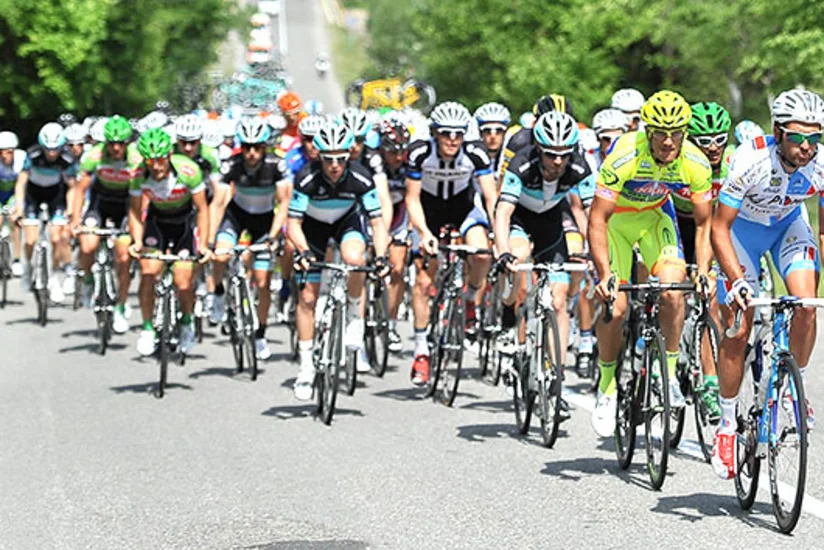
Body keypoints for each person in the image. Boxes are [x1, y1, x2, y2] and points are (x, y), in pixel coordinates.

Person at [711, 89, 824, 479]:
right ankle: (726, 425)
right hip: (742, 233)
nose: (806, 147)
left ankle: (793, 392)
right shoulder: (749, 158)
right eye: (797, 137)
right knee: (740, 326)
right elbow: (719, 228)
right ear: (778, 131)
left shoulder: (821, 164)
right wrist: (737, 281)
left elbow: (823, 230)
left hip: (788, 228)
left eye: (815, 137)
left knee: (807, 306)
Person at [589, 90, 714, 437]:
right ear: (647, 130)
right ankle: (607, 386)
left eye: (676, 132)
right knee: (615, 306)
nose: (669, 141)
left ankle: (669, 376)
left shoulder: (695, 161)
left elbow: (704, 224)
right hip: (616, 224)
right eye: (660, 131)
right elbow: (597, 218)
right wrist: (603, 274)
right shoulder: (625, 153)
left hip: (654, 219)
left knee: (674, 292)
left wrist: (703, 271)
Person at [494, 112, 592, 409]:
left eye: (564, 154)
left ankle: (556, 379)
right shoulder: (521, 163)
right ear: (538, 149)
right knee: (520, 255)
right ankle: (509, 310)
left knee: (559, 300)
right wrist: (502, 252)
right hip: (520, 220)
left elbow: (590, 215)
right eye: (551, 155)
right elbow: (502, 212)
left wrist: (598, 254)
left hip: (551, 222)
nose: (558, 162)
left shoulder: (579, 166)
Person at [287, 122, 390, 400]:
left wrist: (381, 257)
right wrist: (303, 251)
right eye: (328, 158)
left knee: (355, 259)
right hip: (312, 229)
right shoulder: (306, 178)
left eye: (340, 158)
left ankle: (355, 316)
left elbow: (378, 224)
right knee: (307, 298)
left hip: (346, 223)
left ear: (349, 156)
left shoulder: (361, 177)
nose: (334, 165)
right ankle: (306, 367)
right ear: (318, 156)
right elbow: (293, 224)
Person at [404, 101, 497, 384]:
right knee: (423, 281)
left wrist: (495, 230)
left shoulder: (476, 153)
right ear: (435, 133)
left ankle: (469, 299)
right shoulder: (420, 152)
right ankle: (421, 351)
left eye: (458, 134)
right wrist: (424, 232)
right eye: (446, 134)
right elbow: (411, 198)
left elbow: (490, 196)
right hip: (428, 211)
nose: (452, 140)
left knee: (482, 254)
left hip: (463, 208)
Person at [209, 117, 290, 359]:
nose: (252, 153)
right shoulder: (232, 164)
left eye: (257, 147)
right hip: (237, 217)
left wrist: (274, 236)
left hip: (265, 221)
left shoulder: (276, 165)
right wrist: (210, 239)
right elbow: (219, 202)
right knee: (221, 254)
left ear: (265, 147)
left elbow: (284, 202)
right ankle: (219, 294)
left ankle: (260, 334)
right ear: (240, 147)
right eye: (247, 147)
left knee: (263, 281)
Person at [128, 128, 211, 356]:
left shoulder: (188, 170)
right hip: (157, 223)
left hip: (184, 224)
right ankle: (147, 329)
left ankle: (186, 321)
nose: (156, 167)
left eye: (160, 160)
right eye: (150, 161)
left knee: (183, 281)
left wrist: (204, 244)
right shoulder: (138, 175)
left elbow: (203, 209)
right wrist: (136, 241)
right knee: (148, 273)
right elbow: (135, 213)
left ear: (169, 155)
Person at [75, 115, 142, 331]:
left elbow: (142, 195)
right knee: (87, 245)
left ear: (127, 142)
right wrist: (75, 220)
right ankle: (87, 281)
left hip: (125, 206)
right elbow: (80, 189)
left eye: (120, 143)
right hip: (100, 203)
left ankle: (120, 306)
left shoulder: (136, 158)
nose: (115, 148)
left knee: (123, 258)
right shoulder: (94, 155)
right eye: (111, 143)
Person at [15, 122, 78, 302]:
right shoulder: (32, 155)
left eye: (55, 150)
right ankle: (27, 267)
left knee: (56, 238)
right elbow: (21, 183)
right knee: (31, 239)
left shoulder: (66, 159)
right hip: (32, 196)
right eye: (48, 150)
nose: (51, 154)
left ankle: (52, 277)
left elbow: (73, 187)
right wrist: (19, 207)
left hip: (55, 196)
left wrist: (71, 210)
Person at [377, 117, 412, 352]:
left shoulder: (410, 165)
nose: (398, 158)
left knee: (398, 269)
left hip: (400, 217)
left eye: (402, 152)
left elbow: (414, 199)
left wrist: (410, 230)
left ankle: (390, 321)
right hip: (376, 218)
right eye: (392, 152)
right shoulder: (374, 163)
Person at [0, 131, 25, 277]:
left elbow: (21, 185)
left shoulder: (22, 159)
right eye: (0, 152)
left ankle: (16, 260)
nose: (4, 155)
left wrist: (19, 209)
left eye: (8, 152)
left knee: (14, 220)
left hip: (13, 193)